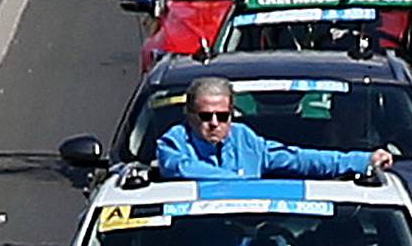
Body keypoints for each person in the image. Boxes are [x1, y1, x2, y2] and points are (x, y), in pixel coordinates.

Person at [154, 73, 394, 180]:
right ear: (190, 115)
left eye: (223, 116)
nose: (214, 123)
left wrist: (362, 161)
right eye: (206, 116)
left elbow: (300, 160)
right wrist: (247, 185)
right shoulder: (173, 143)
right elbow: (184, 169)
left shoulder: (245, 140)